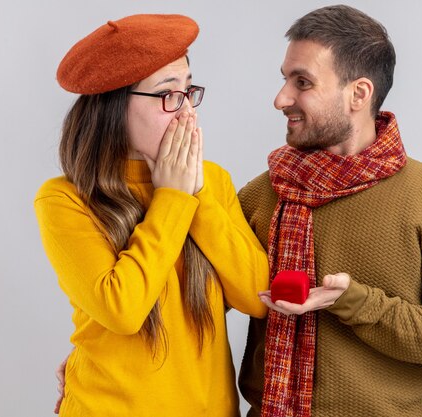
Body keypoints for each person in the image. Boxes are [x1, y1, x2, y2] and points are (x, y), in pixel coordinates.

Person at [237, 5, 422, 417]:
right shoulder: (261, 195)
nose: (281, 99)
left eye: (303, 83)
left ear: (359, 94)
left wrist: (352, 302)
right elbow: (193, 308)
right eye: (285, 80)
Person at [34, 14, 268, 417]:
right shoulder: (63, 199)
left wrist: (195, 194)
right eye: (167, 95)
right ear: (113, 107)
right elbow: (122, 310)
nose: (186, 113)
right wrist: (173, 199)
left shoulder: (212, 181)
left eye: (188, 90)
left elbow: (258, 296)